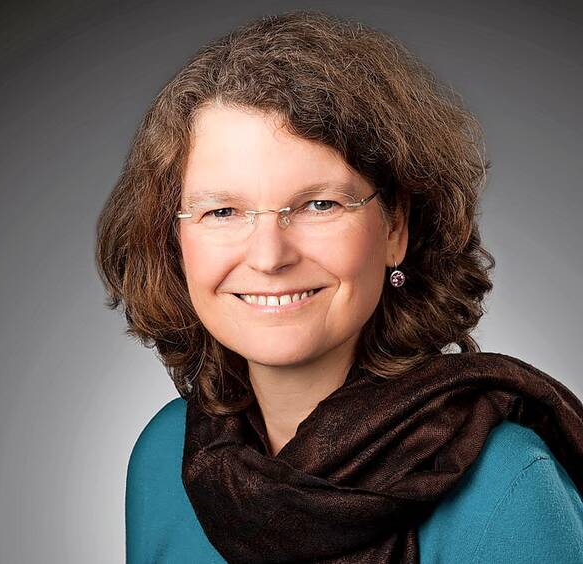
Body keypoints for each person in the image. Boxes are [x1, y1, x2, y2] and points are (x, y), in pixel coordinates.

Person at [95, 10, 583, 563]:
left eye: (319, 204)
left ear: (395, 228)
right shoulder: (168, 457)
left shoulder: (508, 485)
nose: (269, 256)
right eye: (223, 211)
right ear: (174, 239)